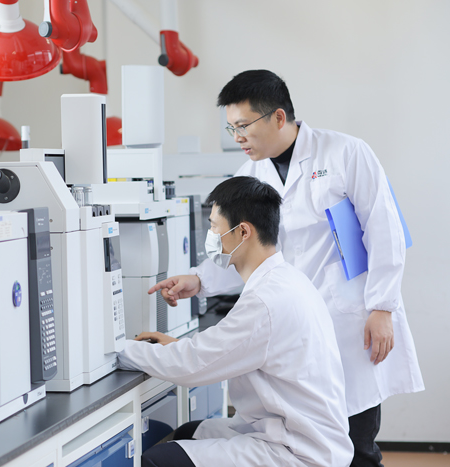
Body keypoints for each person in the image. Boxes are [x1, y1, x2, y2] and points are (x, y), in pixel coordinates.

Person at [151, 70, 424, 467]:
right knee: (298, 437)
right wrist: (199, 279)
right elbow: (246, 246)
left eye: (243, 126)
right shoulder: (250, 175)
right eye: (231, 128)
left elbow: (385, 231)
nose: (237, 137)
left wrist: (382, 307)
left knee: (357, 445)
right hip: (292, 327)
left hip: (348, 320)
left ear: (278, 117)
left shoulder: (345, 153)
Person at [118, 176, 354, 467]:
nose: (211, 235)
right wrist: (176, 345)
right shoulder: (287, 279)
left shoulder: (266, 300)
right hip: (294, 429)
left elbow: (192, 365)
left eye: (214, 226)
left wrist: (119, 351)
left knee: (158, 461)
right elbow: (232, 348)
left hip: (298, 450)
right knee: (188, 433)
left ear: (242, 231)